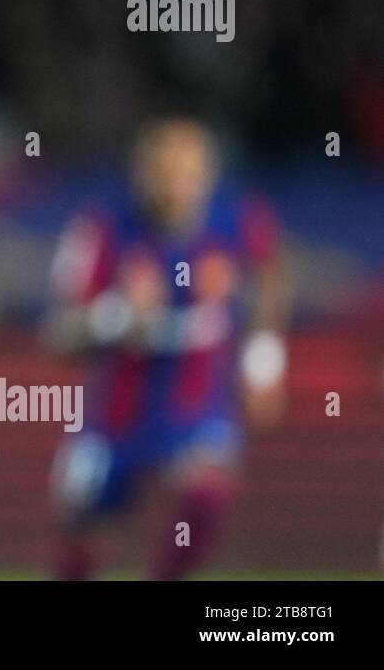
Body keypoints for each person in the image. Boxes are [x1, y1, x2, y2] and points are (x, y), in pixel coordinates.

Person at [45, 116, 290, 579]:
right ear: (140, 173)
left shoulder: (237, 221)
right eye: (163, 172)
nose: (175, 185)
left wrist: (263, 363)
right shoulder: (102, 229)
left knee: (208, 492)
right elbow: (58, 335)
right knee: (79, 534)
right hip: (116, 416)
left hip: (195, 409)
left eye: (187, 172)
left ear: (208, 175)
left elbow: (270, 284)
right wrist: (116, 312)